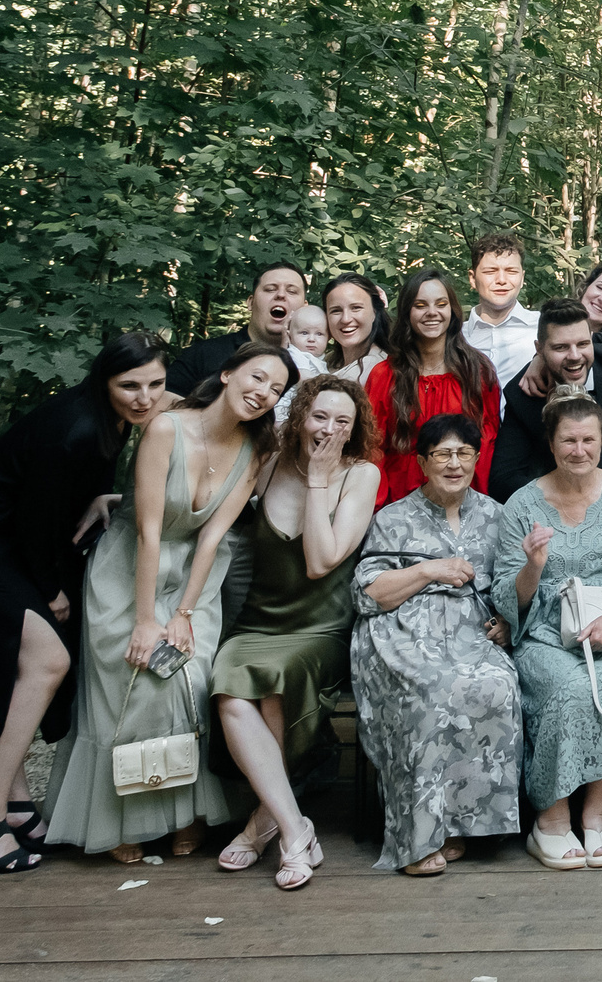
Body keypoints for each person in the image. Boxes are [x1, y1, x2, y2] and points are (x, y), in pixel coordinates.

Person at [0, 333, 174, 873]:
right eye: (129, 385)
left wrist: (107, 497)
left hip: (9, 536)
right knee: (48, 660)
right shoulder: (76, 427)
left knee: (24, 663)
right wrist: (50, 592)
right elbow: (35, 518)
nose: (144, 398)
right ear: (102, 380)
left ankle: (14, 803)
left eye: (155, 384)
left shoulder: (117, 414)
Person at [44, 340, 291, 862]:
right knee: (132, 682)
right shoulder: (165, 428)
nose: (264, 392)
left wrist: (182, 615)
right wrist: (144, 620)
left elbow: (211, 537)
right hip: (130, 567)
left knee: (189, 679)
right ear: (227, 374)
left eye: (276, 388)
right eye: (257, 377)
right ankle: (121, 820)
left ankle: (186, 814)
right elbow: (150, 531)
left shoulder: (256, 448)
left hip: (196, 577)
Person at [210, 376, 381, 890]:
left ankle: (264, 822)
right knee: (230, 685)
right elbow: (206, 501)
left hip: (320, 626)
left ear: (354, 431)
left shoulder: (360, 475)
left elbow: (320, 562)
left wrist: (319, 479)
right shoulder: (264, 465)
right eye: (320, 416)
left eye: (342, 421)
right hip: (260, 620)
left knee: (277, 682)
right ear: (300, 416)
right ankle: (292, 825)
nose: (329, 429)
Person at [492, 392, 602, 870]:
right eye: (569, 440)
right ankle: (550, 818)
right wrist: (533, 565)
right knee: (568, 688)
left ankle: (597, 813)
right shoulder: (522, 504)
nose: (579, 450)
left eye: (589, 439)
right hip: (546, 628)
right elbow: (509, 597)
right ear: (551, 443)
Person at [350, 412, 521, 876]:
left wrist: (506, 619)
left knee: (497, 685)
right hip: (402, 633)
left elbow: (508, 584)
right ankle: (419, 837)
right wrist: (429, 569)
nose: (453, 463)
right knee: (431, 690)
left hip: (470, 634)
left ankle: (462, 824)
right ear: (423, 462)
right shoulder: (393, 518)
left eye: (463, 453)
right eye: (441, 454)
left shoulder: (494, 514)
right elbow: (369, 593)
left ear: (476, 458)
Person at [365, 267, 502, 507]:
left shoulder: (477, 371)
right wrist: (379, 509)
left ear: (452, 310)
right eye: (420, 305)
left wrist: (476, 502)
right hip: (400, 502)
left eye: (441, 304)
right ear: (407, 311)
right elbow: (372, 449)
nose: (431, 313)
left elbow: (488, 441)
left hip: (462, 500)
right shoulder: (385, 375)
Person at [490, 299, 602, 502]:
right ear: (539, 350)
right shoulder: (522, 394)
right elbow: (503, 479)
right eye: (561, 348)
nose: (575, 356)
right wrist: (564, 499)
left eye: (583, 344)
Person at [168, 263, 309, 396]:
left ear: (305, 308)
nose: (281, 295)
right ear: (250, 302)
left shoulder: (316, 365)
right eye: (270, 289)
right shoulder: (202, 355)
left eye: (292, 291)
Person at [463, 232, 538, 388]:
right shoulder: (454, 337)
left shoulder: (543, 329)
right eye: (490, 272)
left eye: (511, 271)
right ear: (472, 278)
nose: (502, 280)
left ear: (522, 278)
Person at [320, 274, 390, 386]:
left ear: (375, 312)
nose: (346, 319)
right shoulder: (327, 360)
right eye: (336, 310)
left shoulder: (379, 368)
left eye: (356, 308)